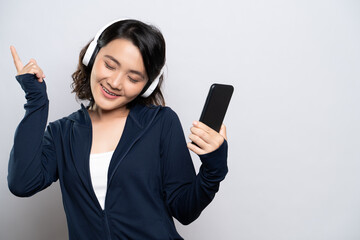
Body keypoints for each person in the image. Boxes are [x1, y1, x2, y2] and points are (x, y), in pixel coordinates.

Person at [8, 19, 228, 240]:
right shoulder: (62, 133)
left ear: (147, 85)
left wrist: (213, 168)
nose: (115, 82)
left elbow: (185, 210)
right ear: (92, 57)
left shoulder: (161, 123)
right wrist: (35, 101)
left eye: (133, 78)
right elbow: (22, 183)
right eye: (110, 65)